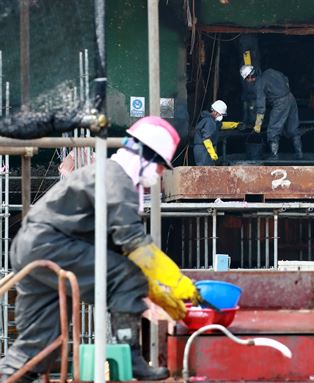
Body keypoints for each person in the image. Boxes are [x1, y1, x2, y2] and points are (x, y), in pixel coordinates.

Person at [0, 117, 201, 381]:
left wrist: (153, 289)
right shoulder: (117, 179)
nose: (161, 173)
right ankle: (131, 358)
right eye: (161, 166)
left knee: (41, 345)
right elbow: (134, 243)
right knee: (128, 276)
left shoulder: (109, 174)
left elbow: (116, 247)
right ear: (146, 156)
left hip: (33, 247)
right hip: (50, 246)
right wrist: (176, 282)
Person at [240, 65, 303, 160]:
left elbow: (261, 107)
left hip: (280, 103)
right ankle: (299, 153)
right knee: (293, 128)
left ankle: (274, 156)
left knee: (273, 130)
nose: (247, 82)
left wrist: (257, 126)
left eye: (246, 79)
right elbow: (285, 78)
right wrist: (283, 91)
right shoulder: (270, 71)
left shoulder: (259, 85)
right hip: (291, 97)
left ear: (249, 77)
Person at [193, 100, 227, 165]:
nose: (221, 116)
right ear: (216, 112)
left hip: (202, 148)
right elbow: (206, 139)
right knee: (205, 170)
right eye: (221, 114)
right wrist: (212, 154)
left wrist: (235, 125)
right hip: (203, 149)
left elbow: (220, 125)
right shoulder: (209, 122)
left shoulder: (209, 119)